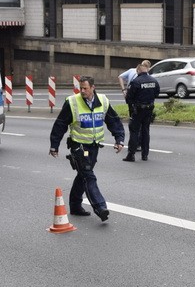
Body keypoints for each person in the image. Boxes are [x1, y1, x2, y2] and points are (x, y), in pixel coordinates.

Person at [48, 76, 125, 222]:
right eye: (80, 88)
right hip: (78, 147)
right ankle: (100, 207)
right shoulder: (72, 102)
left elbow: (113, 121)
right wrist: (54, 145)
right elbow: (60, 124)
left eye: (85, 88)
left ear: (93, 88)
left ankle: (75, 206)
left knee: (83, 176)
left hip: (94, 146)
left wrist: (119, 139)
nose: (82, 91)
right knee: (88, 175)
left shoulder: (103, 100)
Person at [123, 60, 160, 162]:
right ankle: (145, 155)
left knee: (134, 131)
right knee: (145, 131)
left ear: (138, 71)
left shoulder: (135, 82)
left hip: (138, 110)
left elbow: (128, 99)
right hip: (149, 109)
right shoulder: (154, 81)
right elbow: (157, 93)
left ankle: (131, 154)